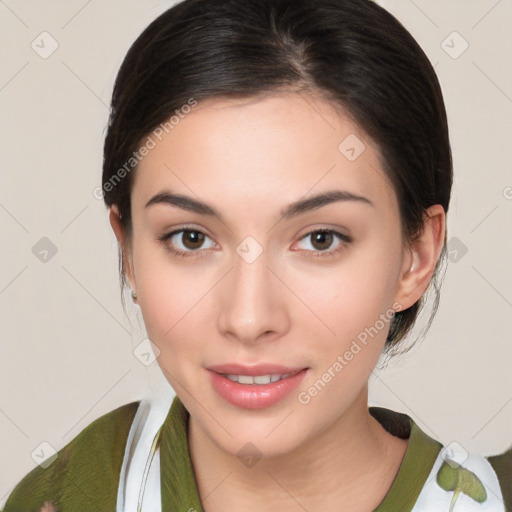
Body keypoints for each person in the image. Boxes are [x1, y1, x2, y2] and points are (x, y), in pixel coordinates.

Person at [3, 0, 511, 510]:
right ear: (128, 252)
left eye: (320, 239)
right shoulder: (66, 496)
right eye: (191, 238)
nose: (248, 319)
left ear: (416, 255)